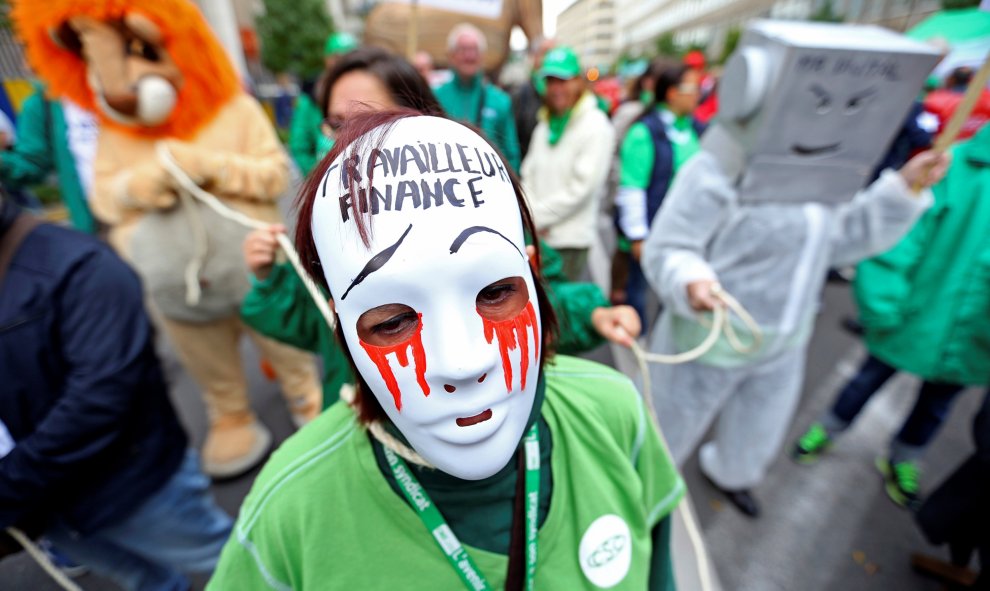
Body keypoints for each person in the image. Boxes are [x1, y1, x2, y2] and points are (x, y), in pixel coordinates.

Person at [209, 111, 682, 589]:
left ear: (533, 275)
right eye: (392, 321)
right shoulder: (289, 513)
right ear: (340, 322)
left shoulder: (616, 417)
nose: (462, 362)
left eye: (495, 293)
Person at [641, 20, 947, 518]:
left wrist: (901, 188)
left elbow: (844, 238)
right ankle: (642, 497)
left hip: (785, 337)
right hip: (712, 334)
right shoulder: (719, 167)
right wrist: (690, 280)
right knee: (667, 426)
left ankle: (732, 472)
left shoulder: (827, 176)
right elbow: (670, 246)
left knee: (759, 423)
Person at [14, 0, 324, 479]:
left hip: (254, 270)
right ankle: (231, 414)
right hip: (176, 289)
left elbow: (273, 173)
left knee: (285, 343)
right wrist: (140, 186)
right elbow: (104, 199)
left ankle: (305, 395)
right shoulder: (115, 133)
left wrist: (212, 167)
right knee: (208, 365)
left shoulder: (235, 109)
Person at [242, 47, 641, 409]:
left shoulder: (482, 212)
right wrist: (270, 279)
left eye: (368, 120)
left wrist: (591, 315)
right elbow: (304, 318)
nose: (348, 141)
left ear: (419, 118)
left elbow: (543, 297)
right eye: (335, 124)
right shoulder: (330, 233)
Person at [0, 187, 232, 590]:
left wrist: (9, 486)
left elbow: (100, 395)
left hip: (134, 486)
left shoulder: (77, 265)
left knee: (234, 563)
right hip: (47, 510)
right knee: (145, 582)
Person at [793, 123, 990, 509]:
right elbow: (901, 236)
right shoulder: (953, 166)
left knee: (937, 404)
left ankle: (905, 456)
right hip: (915, 315)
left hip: (974, 337)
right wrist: (884, 305)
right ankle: (829, 427)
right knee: (868, 377)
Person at [613, 61, 705, 323]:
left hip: (686, 232)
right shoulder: (644, 131)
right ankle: (635, 344)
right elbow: (632, 187)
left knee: (677, 297)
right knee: (638, 294)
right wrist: (638, 236)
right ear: (672, 93)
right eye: (692, 88)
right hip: (651, 231)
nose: (698, 94)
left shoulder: (696, 129)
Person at [521, 46, 615, 282]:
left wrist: (537, 217)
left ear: (578, 81)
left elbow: (582, 189)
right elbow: (528, 173)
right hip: (538, 237)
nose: (556, 88)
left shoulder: (596, 125)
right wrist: (531, 218)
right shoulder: (545, 124)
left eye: (563, 80)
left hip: (569, 242)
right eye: (551, 81)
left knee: (561, 310)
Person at [0, 82, 97, 233]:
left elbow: (4, 134)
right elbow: (30, 164)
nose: (27, 66)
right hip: (96, 218)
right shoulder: (42, 103)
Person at [434, 23, 521, 171]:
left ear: (482, 57)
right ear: (451, 56)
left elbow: (512, 155)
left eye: (474, 50)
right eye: (463, 50)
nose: (469, 56)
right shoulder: (435, 96)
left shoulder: (500, 100)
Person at [288, 31, 359, 175]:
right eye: (338, 57)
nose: (345, 62)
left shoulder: (371, 88)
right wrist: (317, 177)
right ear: (327, 59)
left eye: (351, 55)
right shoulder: (310, 96)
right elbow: (299, 144)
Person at [510, 37, 555, 161]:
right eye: (546, 53)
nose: (551, 58)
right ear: (534, 57)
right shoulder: (521, 94)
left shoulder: (567, 98)